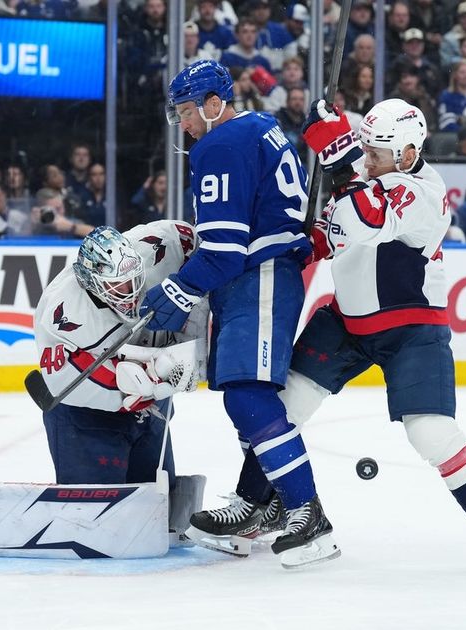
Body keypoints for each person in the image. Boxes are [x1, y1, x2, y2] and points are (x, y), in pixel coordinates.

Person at [278, 97, 466, 573]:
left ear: (406, 152)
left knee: (431, 432)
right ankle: (258, 504)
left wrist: (335, 156)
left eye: (375, 153)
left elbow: (362, 217)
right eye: (362, 149)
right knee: (281, 409)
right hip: (347, 322)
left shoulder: (424, 191)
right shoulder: (370, 171)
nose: (367, 158)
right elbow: (329, 233)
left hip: (412, 329)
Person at [139, 59, 338, 569]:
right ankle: (260, 508)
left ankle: (305, 512)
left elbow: (225, 249)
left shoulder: (221, 144)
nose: (182, 122)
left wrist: (180, 288)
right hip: (257, 277)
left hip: (259, 277)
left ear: (213, 104)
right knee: (245, 396)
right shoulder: (262, 129)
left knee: (250, 397)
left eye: (186, 110)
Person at [33, 221, 206, 541]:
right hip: (85, 414)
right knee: (94, 527)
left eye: (133, 281)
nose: (130, 292)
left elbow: (200, 240)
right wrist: (151, 379)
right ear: (92, 283)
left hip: (149, 405)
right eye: (118, 286)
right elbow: (64, 383)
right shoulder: (65, 314)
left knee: (158, 523)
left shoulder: (155, 246)